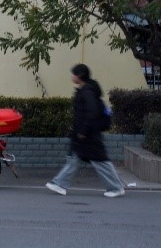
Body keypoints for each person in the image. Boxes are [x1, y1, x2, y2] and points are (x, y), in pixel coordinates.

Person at [46, 64, 125, 198]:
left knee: (100, 161)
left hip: (89, 135)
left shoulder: (87, 92)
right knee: (74, 158)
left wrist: (83, 131)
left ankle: (116, 187)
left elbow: (92, 113)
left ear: (80, 75)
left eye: (74, 74)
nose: (72, 77)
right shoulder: (84, 91)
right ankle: (59, 184)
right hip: (84, 134)